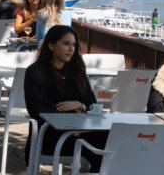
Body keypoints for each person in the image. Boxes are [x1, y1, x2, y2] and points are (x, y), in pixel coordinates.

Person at [24, 25, 107, 170]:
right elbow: (42, 110)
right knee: (104, 144)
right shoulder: (36, 72)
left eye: (74, 45)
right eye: (66, 44)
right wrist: (75, 112)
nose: (71, 49)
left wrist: (79, 105)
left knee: (113, 140)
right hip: (50, 138)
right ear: (51, 45)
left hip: (78, 135)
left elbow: (92, 105)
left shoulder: (76, 71)